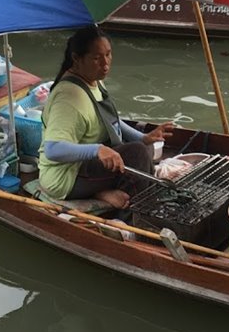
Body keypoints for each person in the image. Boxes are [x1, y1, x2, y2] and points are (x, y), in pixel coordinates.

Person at [38, 26, 174, 208]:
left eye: (108, 55)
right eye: (96, 58)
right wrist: (97, 150)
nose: (105, 64)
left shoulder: (94, 79)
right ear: (77, 59)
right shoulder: (68, 99)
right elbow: (52, 150)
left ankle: (103, 192)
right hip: (65, 176)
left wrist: (144, 137)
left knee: (143, 147)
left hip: (88, 164)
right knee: (138, 155)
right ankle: (132, 218)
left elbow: (110, 120)